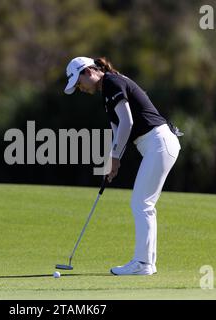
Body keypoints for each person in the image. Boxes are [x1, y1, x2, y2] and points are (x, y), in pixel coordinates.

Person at [64, 56, 181, 275]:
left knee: (141, 203)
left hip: (159, 142)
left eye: (79, 83)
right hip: (156, 145)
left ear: (89, 72)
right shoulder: (108, 89)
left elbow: (128, 122)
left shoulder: (112, 83)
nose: (80, 88)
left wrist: (116, 158)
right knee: (143, 203)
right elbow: (118, 131)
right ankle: (147, 263)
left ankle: (143, 263)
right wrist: (112, 161)